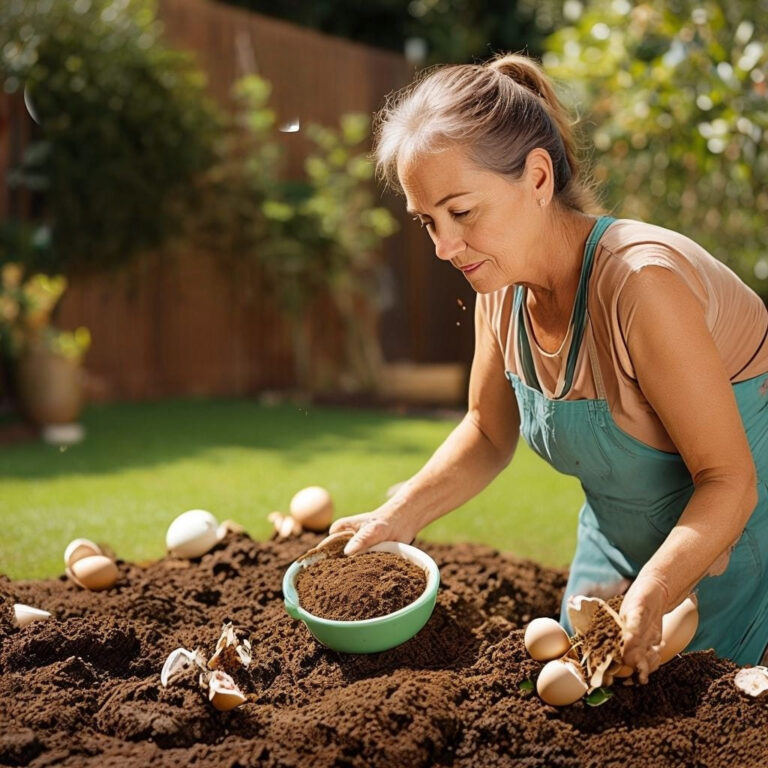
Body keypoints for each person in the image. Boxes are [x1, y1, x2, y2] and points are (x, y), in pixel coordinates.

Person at [326, 52, 768, 681]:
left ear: (536, 178)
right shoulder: (501, 288)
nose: (444, 248)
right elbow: (486, 431)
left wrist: (652, 593)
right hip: (618, 544)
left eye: (461, 212)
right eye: (428, 222)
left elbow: (730, 482)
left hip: (740, 546)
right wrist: (399, 515)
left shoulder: (643, 285)